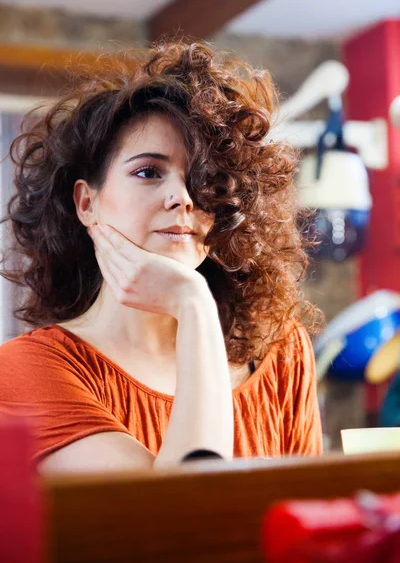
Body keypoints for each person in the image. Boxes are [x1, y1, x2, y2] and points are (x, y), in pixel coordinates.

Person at [0, 41, 322, 474]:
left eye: (204, 179)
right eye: (148, 172)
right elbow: (179, 510)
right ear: (86, 203)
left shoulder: (281, 351)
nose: (182, 197)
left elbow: (312, 523)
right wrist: (192, 303)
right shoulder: (24, 371)